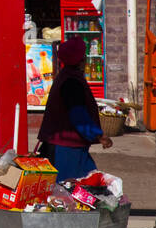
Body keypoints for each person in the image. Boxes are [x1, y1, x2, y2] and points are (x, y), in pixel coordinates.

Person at [35, 36, 112, 181]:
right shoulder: (71, 82)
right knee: (69, 187)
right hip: (66, 146)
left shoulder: (66, 77)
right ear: (81, 59)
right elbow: (78, 115)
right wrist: (98, 135)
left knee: (89, 181)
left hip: (69, 144)